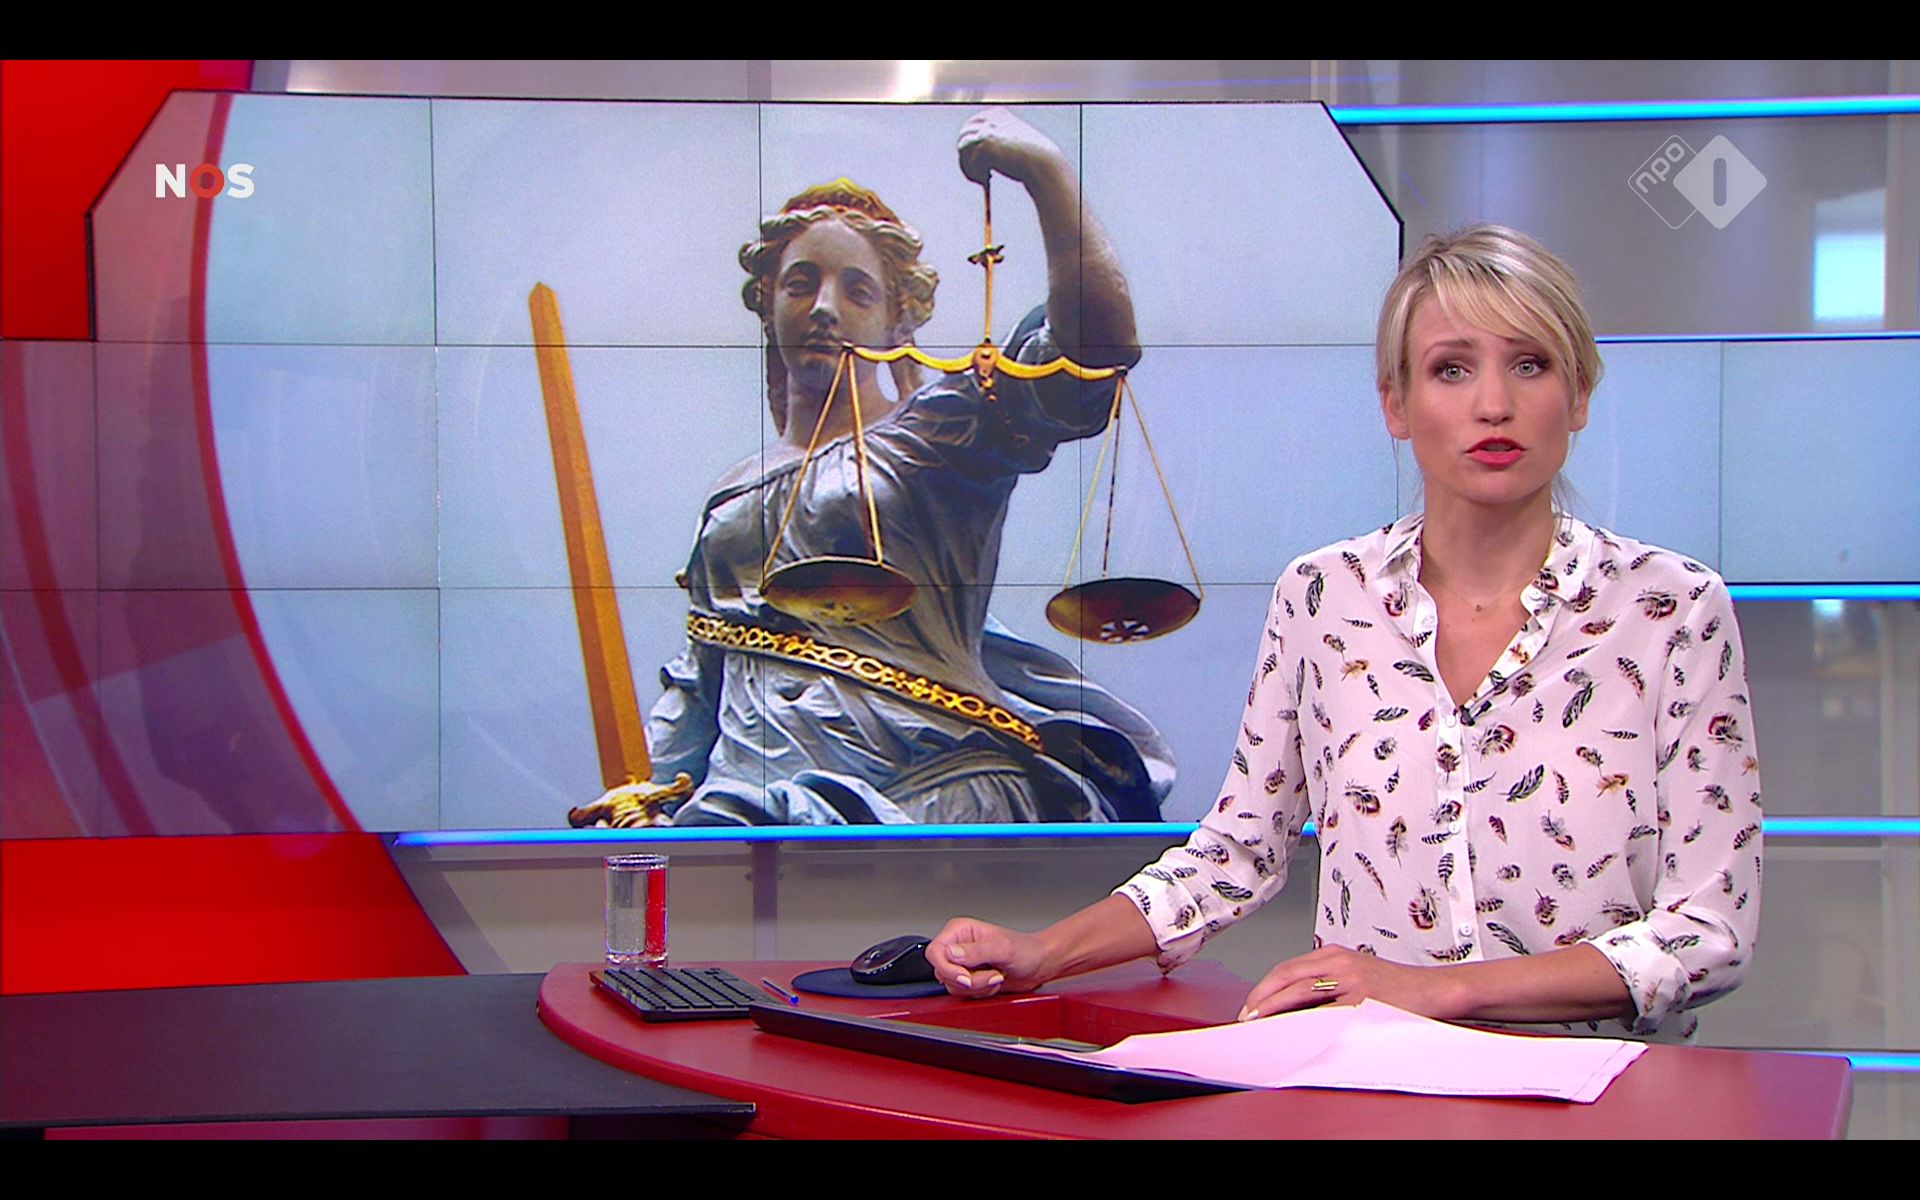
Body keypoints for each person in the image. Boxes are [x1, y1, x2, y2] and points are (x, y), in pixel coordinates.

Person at [927, 225, 1762, 1041]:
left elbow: (1707, 932)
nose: (1494, 404)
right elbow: (1237, 854)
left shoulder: (1672, 608)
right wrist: (1043, 952)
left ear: (1578, 396)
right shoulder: (1324, 596)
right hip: (1367, 1078)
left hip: (1599, 1090)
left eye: (1530, 364)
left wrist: (1436, 991)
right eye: (1451, 369)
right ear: (1396, 404)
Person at [630, 109, 1174, 827]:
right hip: (752, 814)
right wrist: (656, 792)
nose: (824, 309)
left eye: (857, 291)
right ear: (768, 305)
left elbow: (1095, 350)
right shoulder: (734, 493)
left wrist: (1045, 173)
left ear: (898, 320)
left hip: (928, 794)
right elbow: (705, 671)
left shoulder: (940, 435)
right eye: (800, 284)